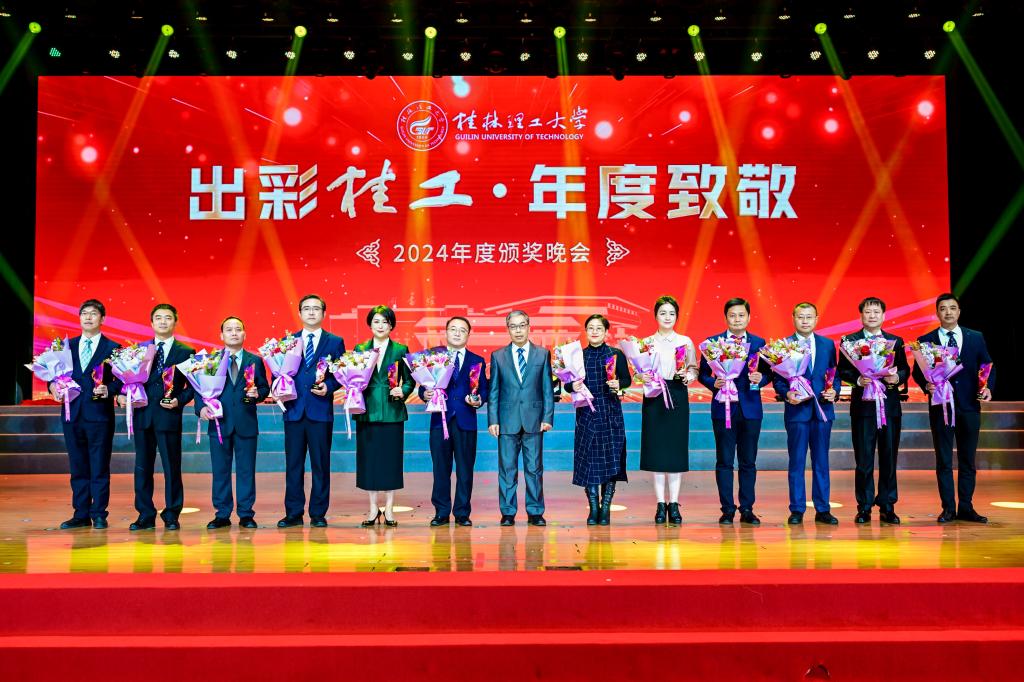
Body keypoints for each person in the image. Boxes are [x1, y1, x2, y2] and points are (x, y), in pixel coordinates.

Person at [912, 293, 994, 524]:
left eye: (952, 308)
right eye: (943, 308)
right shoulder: (926, 340)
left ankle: (966, 507)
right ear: (937, 313)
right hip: (941, 407)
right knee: (944, 461)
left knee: (968, 460)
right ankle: (948, 508)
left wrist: (987, 387)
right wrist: (926, 385)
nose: (948, 312)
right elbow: (918, 372)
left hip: (969, 406)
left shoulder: (975, 337)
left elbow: (987, 365)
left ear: (959, 311)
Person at [120, 303, 194, 531]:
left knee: (172, 467)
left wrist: (179, 400)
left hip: (169, 415)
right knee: (142, 467)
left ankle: (172, 514)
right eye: (159, 318)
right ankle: (145, 514)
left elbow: (193, 387)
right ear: (151, 323)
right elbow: (127, 379)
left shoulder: (185, 352)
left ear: (175, 322)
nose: (163, 321)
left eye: (168, 317)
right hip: (143, 414)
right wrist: (123, 394)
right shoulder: (138, 350)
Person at [697, 297, 771, 526]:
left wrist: (761, 378)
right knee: (724, 461)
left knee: (748, 462)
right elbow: (702, 373)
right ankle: (727, 509)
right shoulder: (713, 343)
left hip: (751, 409)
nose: (737, 319)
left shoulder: (759, 343)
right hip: (723, 408)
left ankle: (747, 509)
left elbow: (770, 372)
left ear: (748, 317)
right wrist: (713, 383)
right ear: (726, 318)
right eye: (732, 315)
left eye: (741, 315)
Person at [837, 297, 910, 525]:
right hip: (863, 409)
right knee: (864, 460)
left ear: (883, 315)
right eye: (868, 312)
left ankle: (887, 505)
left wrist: (897, 378)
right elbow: (842, 370)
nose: (872, 315)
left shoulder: (895, 341)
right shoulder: (849, 342)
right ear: (861, 315)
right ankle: (864, 506)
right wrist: (858, 379)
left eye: (876, 312)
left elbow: (905, 369)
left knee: (889, 458)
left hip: (889, 407)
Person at [51, 299, 121, 530]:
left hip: (99, 415)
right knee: (78, 465)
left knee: (99, 465)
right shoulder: (66, 347)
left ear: (102, 319)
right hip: (72, 413)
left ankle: (99, 513)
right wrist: (52, 386)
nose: (88, 317)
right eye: (84, 313)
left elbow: (123, 380)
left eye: (93, 313)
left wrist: (109, 389)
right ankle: (80, 513)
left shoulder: (113, 348)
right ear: (79, 318)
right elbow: (54, 375)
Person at [196, 316, 270, 530]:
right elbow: (199, 388)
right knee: (220, 471)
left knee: (246, 470)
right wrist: (201, 408)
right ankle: (222, 514)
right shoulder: (210, 361)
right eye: (229, 330)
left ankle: (246, 514)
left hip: (246, 422)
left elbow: (264, 387)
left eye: (238, 329)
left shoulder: (255, 361)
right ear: (221, 335)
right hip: (219, 423)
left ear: (244, 334)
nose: (234, 333)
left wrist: (258, 394)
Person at [278, 294, 345, 529]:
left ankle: (318, 513)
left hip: (320, 411)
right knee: (293, 465)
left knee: (320, 464)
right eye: (306, 308)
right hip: (294, 410)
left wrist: (329, 387)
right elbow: (279, 372)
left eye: (316, 308)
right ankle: (293, 513)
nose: (311, 312)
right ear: (299, 313)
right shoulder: (288, 342)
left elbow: (341, 374)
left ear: (324, 313)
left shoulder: (335, 342)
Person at [773, 302, 839, 526]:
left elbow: (833, 374)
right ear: (793, 318)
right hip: (797, 411)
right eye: (800, 316)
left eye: (809, 317)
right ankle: (797, 509)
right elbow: (778, 379)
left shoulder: (827, 344)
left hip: (822, 411)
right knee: (797, 462)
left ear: (816, 319)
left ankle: (823, 509)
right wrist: (786, 394)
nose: (805, 321)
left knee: (821, 461)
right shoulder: (784, 345)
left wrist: (834, 390)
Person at [487, 310, 554, 527]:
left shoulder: (542, 354)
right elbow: (494, 390)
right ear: (508, 329)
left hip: (534, 420)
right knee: (507, 469)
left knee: (534, 469)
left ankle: (535, 512)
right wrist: (493, 420)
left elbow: (547, 389)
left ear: (528, 326)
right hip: (507, 421)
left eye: (522, 325)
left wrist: (548, 417)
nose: (518, 330)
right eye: (513, 326)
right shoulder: (498, 356)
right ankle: (508, 512)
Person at [420, 316, 489, 527]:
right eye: (453, 329)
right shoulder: (434, 357)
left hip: (466, 421)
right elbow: (424, 385)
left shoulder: (477, 360)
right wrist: (425, 394)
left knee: (465, 469)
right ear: (446, 332)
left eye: (462, 330)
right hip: (439, 420)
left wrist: (478, 399)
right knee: (440, 469)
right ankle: (441, 512)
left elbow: (483, 389)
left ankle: (462, 512)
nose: (457, 333)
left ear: (468, 334)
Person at [567, 314, 632, 526]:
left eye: (599, 328)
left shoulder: (615, 354)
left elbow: (627, 379)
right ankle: (593, 507)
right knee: (590, 461)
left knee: (611, 460)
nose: (595, 331)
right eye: (591, 328)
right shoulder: (579, 356)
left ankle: (605, 509)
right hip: (587, 414)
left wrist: (619, 384)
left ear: (606, 332)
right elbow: (566, 383)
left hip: (611, 413)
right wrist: (572, 386)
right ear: (586, 331)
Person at [354, 305, 415, 527]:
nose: (380, 326)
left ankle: (389, 508)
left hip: (392, 411)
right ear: (370, 324)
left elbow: (410, 379)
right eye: (376, 321)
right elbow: (353, 376)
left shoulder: (400, 349)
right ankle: (373, 508)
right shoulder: (361, 348)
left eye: (385, 322)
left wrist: (403, 390)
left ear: (391, 326)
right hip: (367, 411)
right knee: (369, 461)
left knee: (390, 461)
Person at [639, 295, 697, 525]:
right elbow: (639, 370)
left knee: (675, 450)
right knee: (657, 451)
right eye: (663, 313)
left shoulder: (685, 341)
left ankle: (674, 503)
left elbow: (693, 368)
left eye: (671, 313)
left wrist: (687, 376)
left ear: (677, 317)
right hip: (654, 396)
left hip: (677, 393)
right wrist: (642, 376)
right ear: (655, 316)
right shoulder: (646, 343)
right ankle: (660, 504)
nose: (667, 317)